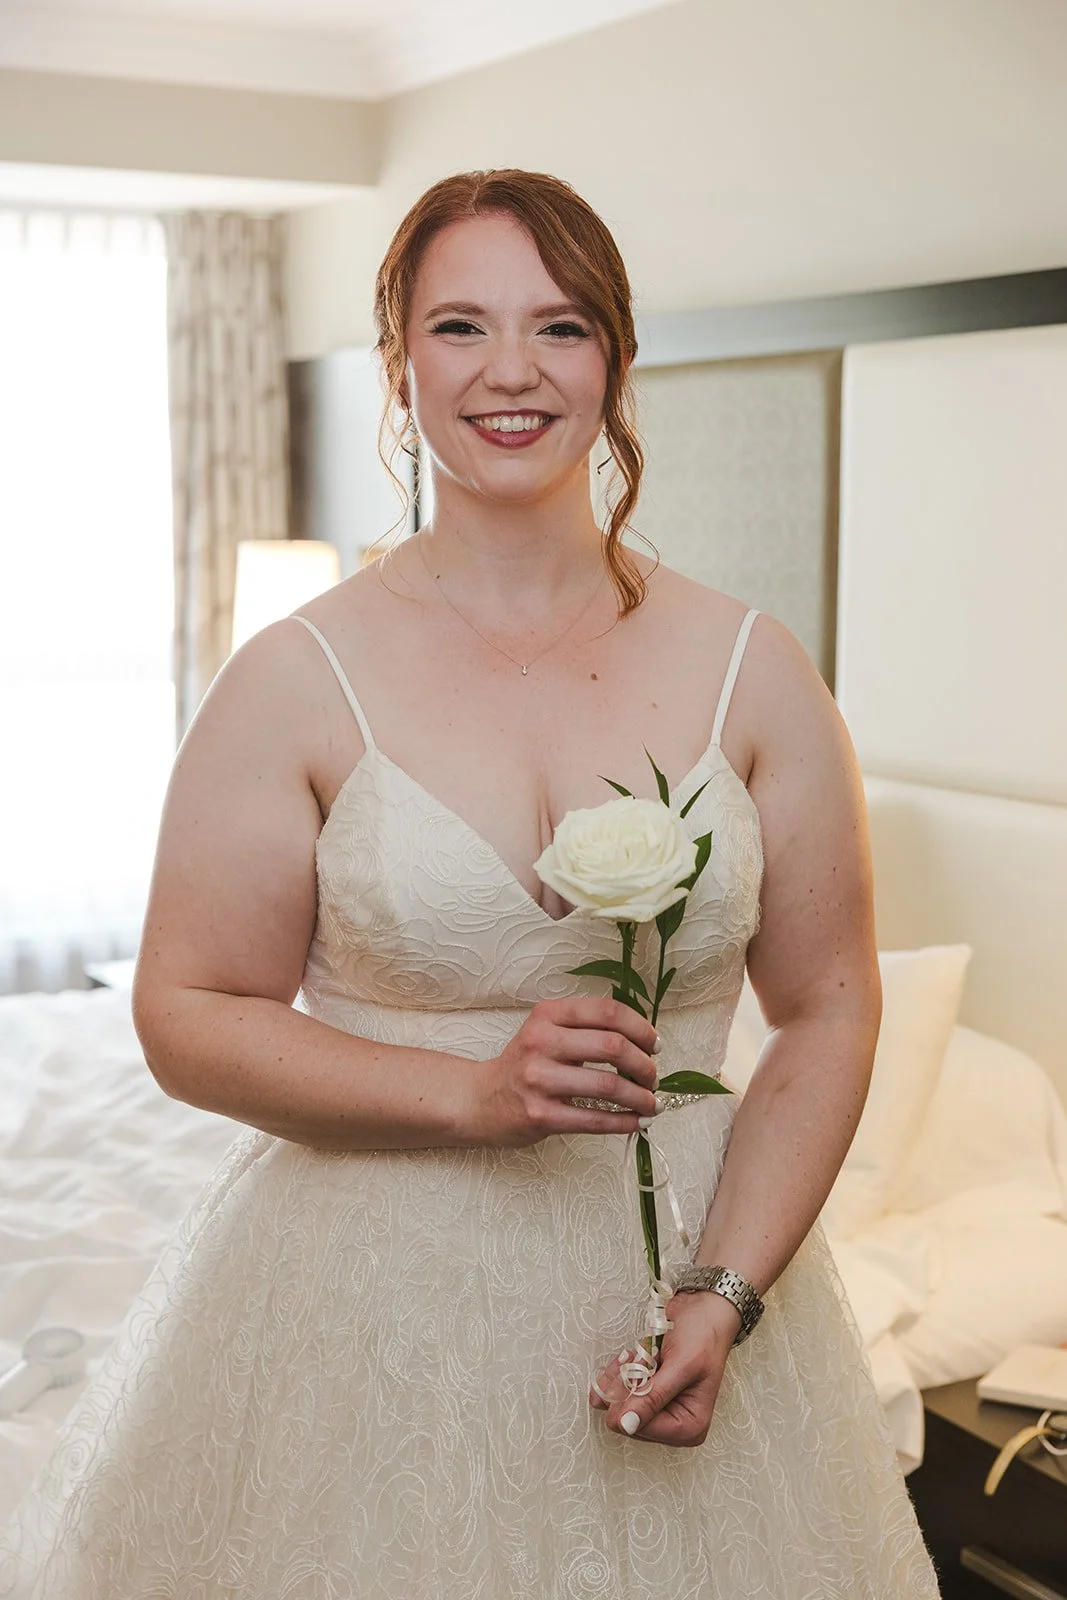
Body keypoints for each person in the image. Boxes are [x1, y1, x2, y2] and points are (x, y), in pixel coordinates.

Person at [0, 169, 940, 1598]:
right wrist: (473, 1094)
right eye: (459, 327)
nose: (511, 372)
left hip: (680, 1271)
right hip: (364, 1305)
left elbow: (823, 1008)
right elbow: (185, 1009)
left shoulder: (753, 664)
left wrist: (723, 1295)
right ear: (399, 365)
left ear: (615, 360)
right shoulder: (291, 679)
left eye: (559, 328)